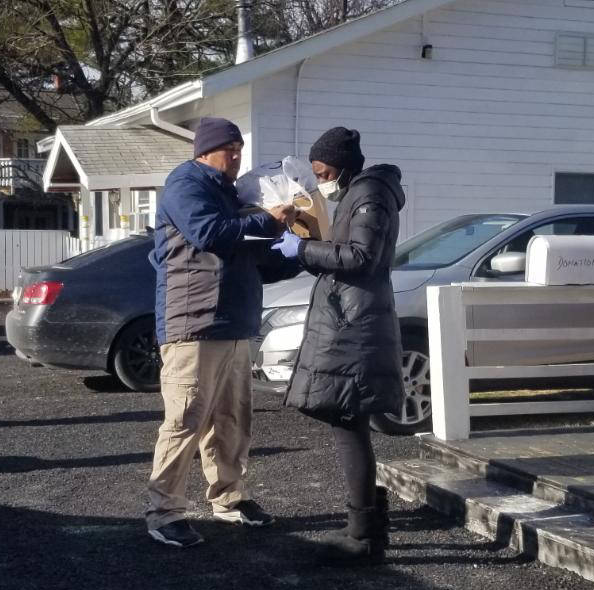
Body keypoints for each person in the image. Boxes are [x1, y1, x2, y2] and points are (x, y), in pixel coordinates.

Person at [145, 117, 297, 548]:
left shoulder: (232, 195)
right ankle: (164, 512)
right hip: (194, 323)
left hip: (235, 324)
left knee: (232, 418)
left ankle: (229, 498)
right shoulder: (186, 184)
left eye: (239, 149)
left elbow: (255, 260)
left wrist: (304, 252)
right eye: (229, 148)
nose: (236, 156)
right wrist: (267, 221)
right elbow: (209, 234)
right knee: (186, 419)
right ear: (204, 150)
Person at [271, 127, 405, 565]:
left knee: (349, 424)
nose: (319, 179)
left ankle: (363, 536)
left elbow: (360, 258)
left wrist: (303, 250)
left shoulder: (370, 196)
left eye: (323, 171)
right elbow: (345, 257)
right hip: (352, 320)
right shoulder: (359, 194)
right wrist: (308, 245)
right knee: (348, 424)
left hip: (356, 326)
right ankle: (366, 529)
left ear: (343, 165)